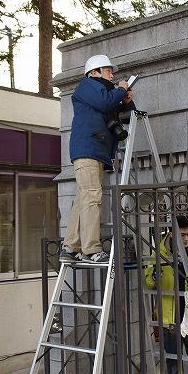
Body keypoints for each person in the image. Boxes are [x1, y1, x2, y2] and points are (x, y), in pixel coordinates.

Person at [60, 54, 135, 263]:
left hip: (93, 151)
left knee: (85, 197)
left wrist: (126, 101)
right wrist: (120, 89)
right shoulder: (88, 85)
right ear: (94, 72)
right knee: (92, 197)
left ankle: (70, 246)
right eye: (108, 70)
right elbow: (104, 103)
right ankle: (91, 250)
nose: (112, 75)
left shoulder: (102, 93)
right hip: (89, 150)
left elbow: (117, 111)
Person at [145, 216, 188, 374]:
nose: (186, 238)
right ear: (172, 234)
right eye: (182, 235)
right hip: (169, 314)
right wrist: (154, 276)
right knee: (173, 357)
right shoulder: (160, 251)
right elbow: (148, 280)